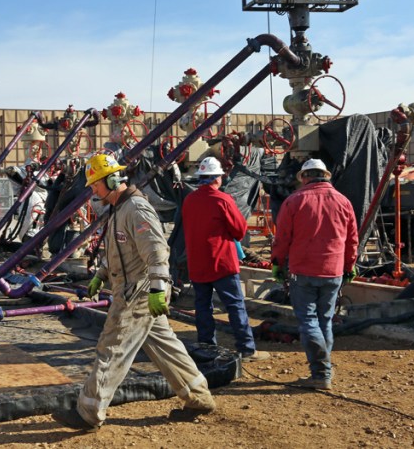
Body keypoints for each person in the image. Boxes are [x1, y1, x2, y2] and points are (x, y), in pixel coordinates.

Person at [52, 153, 216, 431]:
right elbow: (120, 250)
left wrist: (157, 288)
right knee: (166, 347)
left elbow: (156, 250)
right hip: (133, 289)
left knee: (111, 347)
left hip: (138, 292)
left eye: (96, 185)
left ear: (112, 180)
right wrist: (101, 275)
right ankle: (198, 397)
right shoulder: (118, 209)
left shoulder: (137, 209)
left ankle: (89, 412)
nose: (93, 192)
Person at [271, 158, 358, 390]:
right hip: (333, 271)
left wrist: (277, 263)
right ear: (326, 175)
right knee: (324, 321)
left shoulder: (294, 201)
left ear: (304, 177)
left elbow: (282, 238)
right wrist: (349, 266)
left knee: (309, 321)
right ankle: (323, 372)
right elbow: (352, 240)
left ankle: (321, 373)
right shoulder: (343, 201)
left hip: (303, 271)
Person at [181, 156, 269, 362]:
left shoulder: (189, 200)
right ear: (217, 178)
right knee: (235, 305)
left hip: (197, 263)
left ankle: (207, 348)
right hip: (221, 263)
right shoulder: (222, 199)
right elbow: (239, 230)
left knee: (202, 307)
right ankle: (247, 349)